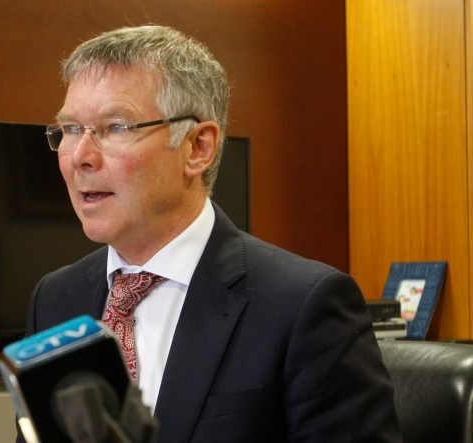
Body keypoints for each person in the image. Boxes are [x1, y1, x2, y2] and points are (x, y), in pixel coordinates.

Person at [22, 25, 401, 442]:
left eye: (115, 127)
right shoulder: (55, 299)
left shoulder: (302, 306)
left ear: (197, 147)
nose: (79, 157)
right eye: (71, 129)